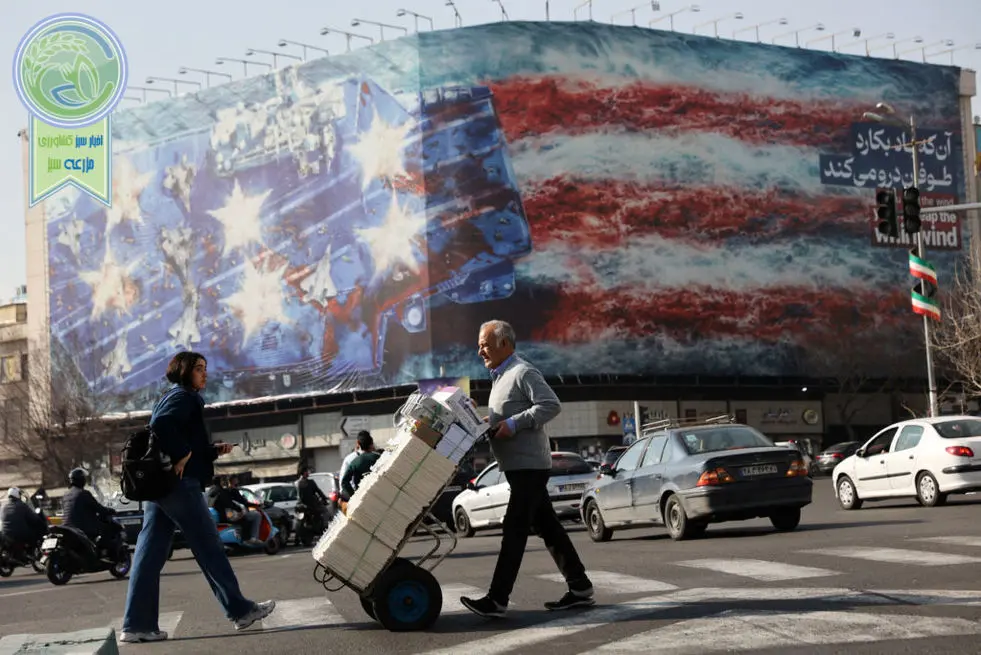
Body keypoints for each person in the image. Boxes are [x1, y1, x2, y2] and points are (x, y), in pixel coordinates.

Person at [121, 351, 275, 643]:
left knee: (149, 554)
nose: (205, 374)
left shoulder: (173, 395)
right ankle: (240, 610)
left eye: (205, 368)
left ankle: (137, 625)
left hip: (162, 487)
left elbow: (174, 433)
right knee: (209, 545)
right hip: (180, 485)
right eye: (199, 369)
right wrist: (183, 454)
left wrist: (210, 450)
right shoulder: (184, 397)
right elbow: (162, 425)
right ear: (184, 371)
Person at [461, 320, 593, 619]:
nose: (479, 349)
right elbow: (504, 419)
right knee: (548, 527)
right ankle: (580, 587)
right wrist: (484, 422)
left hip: (530, 466)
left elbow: (551, 405)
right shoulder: (500, 377)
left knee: (515, 529)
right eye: (479, 344)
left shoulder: (522, 371)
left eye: (484, 343)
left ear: (504, 343)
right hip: (518, 467)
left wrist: (514, 424)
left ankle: (497, 599)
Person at [62, 468, 121, 554]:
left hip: (67, 527)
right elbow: (99, 508)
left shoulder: (66, 494)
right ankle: (103, 553)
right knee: (107, 530)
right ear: (81, 480)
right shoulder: (83, 493)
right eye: (84, 479)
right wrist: (111, 511)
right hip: (82, 528)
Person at [210, 476, 262, 545]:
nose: (224, 482)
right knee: (245, 519)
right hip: (226, 515)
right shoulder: (221, 491)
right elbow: (228, 503)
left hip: (220, 514)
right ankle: (247, 539)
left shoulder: (211, 491)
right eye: (223, 480)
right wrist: (239, 509)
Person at [0, 487, 47, 559]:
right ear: (17, 495)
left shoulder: (4, 506)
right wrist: (39, 520)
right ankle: (31, 554)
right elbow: (33, 518)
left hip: (5, 534)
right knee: (34, 535)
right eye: (19, 494)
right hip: (19, 534)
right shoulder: (22, 505)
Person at [340, 432, 380, 498]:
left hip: (362, 497)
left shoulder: (354, 462)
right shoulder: (379, 457)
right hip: (379, 493)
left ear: (358, 443)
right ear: (372, 443)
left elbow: (344, 482)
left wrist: (353, 495)